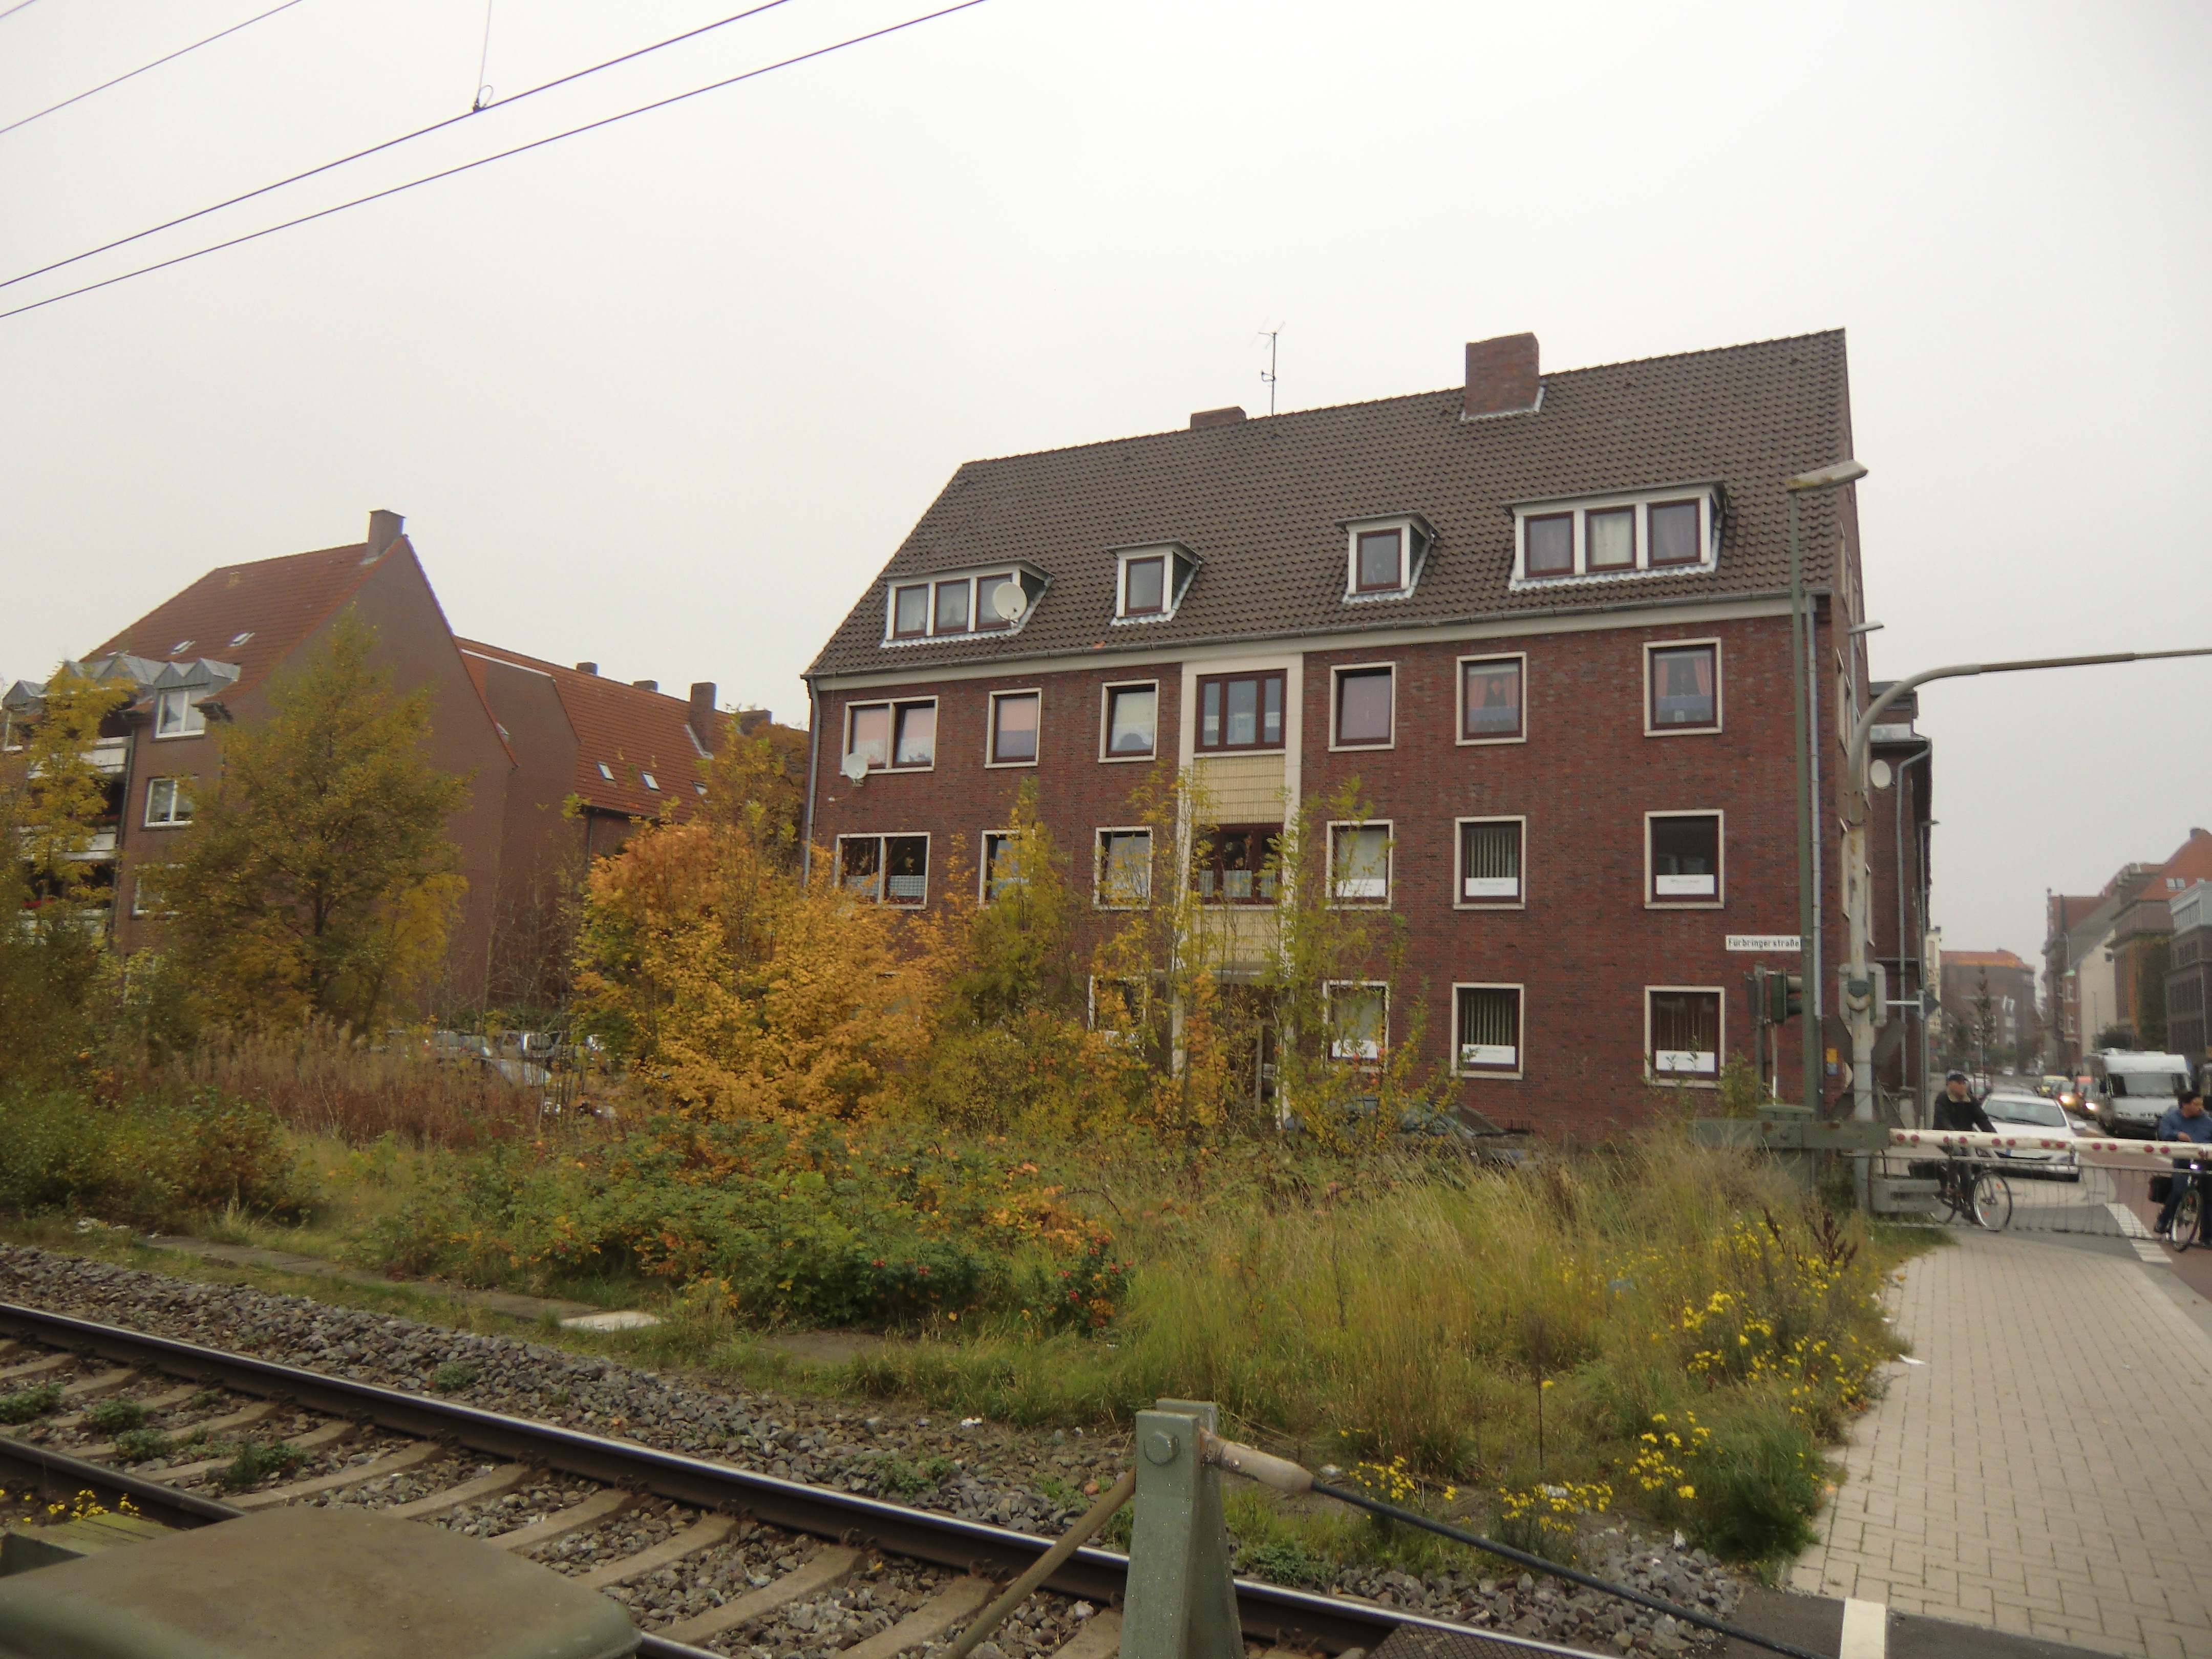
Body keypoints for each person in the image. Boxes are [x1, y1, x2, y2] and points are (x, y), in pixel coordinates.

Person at [2154, 1089, 2212, 1238]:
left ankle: (2207, 1236)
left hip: (2205, 1163)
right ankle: (2164, 1220)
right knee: (2179, 1191)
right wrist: (2177, 1135)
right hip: (2183, 1162)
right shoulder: (2171, 1118)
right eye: (2196, 1104)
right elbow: (2164, 1133)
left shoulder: (2207, 1121)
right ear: (2185, 1105)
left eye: (2201, 1104)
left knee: (2209, 1197)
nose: (2201, 1108)